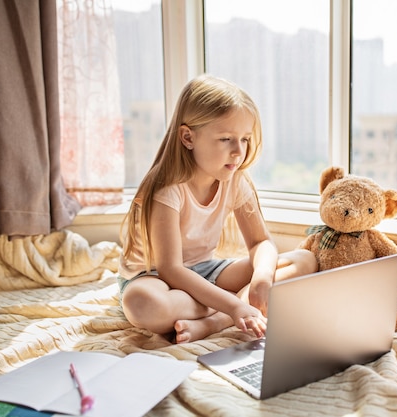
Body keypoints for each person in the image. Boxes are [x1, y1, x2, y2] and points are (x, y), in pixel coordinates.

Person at [118, 74, 318, 343]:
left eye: (245, 139)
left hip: (206, 271)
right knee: (142, 303)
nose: (239, 151)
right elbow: (171, 270)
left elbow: (261, 242)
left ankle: (215, 322)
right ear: (188, 138)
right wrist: (235, 305)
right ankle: (231, 309)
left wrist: (261, 277)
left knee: (305, 260)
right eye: (226, 139)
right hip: (156, 278)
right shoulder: (166, 190)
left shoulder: (235, 180)